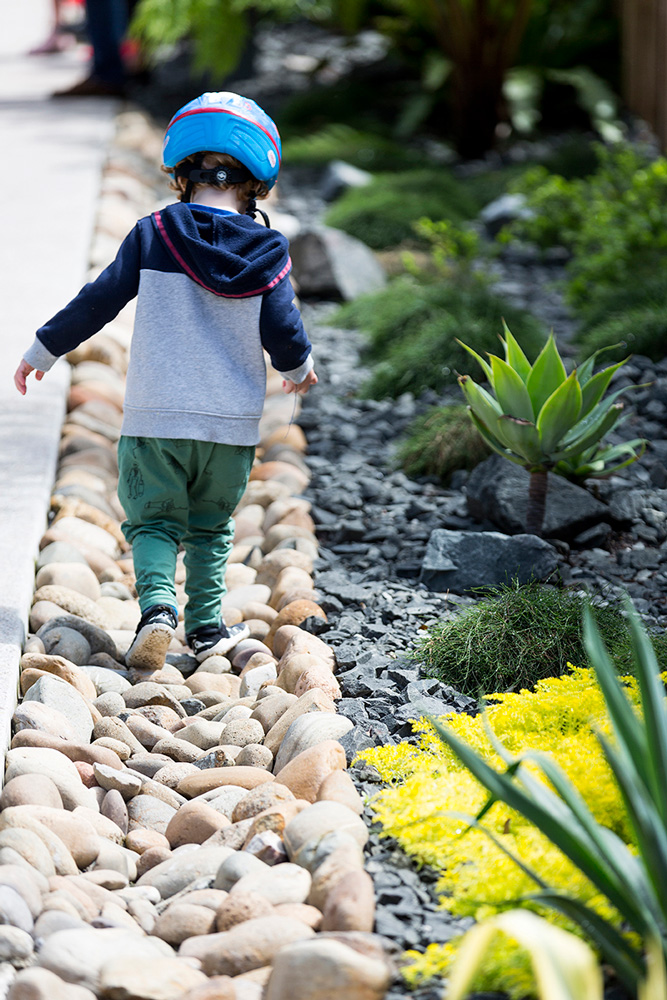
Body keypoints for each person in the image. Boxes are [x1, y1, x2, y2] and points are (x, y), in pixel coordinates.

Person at [15, 91, 317, 670]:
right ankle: (205, 627)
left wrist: (44, 348)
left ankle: (157, 608)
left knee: (153, 521)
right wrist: (298, 370)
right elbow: (284, 329)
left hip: (155, 417)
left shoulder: (153, 233)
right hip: (228, 428)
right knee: (210, 528)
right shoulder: (268, 251)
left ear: (181, 173)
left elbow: (98, 300)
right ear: (257, 183)